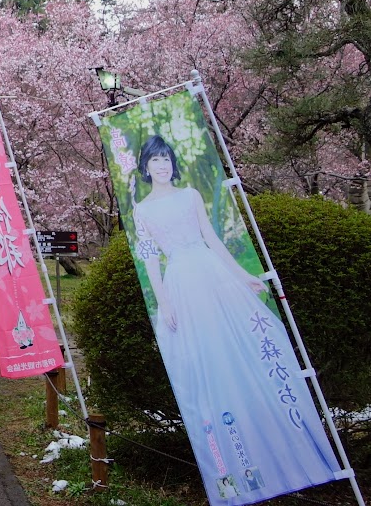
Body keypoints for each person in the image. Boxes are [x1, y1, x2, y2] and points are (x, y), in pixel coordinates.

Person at [132, 135, 337, 505]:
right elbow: (149, 263)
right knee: (206, 360)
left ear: (171, 163)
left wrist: (242, 276)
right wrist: (165, 304)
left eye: (166, 159)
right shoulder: (142, 210)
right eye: (155, 160)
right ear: (146, 166)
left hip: (212, 273)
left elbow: (211, 238)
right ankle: (233, 466)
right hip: (180, 282)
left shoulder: (191, 195)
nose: (161, 165)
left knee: (242, 347)